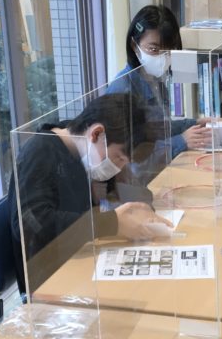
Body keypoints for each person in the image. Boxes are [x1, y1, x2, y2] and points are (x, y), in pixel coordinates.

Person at [10, 92, 172, 292]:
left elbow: (122, 190)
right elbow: (33, 224)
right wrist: (112, 222)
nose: (119, 167)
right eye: (119, 158)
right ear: (96, 134)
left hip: (82, 256)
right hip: (51, 279)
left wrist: (140, 206)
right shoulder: (39, 153)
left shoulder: (85, 149)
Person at [109, 5, 211, 179]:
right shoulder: (122, 90)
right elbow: (133, 158)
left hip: (160, 173)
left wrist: (193, 124)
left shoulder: (155, 79)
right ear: (134, 46)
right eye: (154, 49)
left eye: (169, 50)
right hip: (137, 182)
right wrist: (181, 141)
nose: (163, 57)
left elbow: (157, 129)